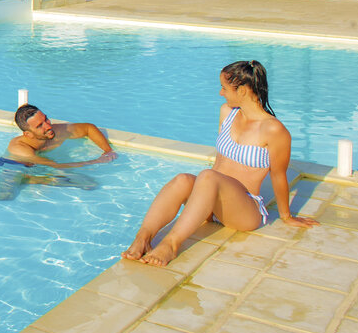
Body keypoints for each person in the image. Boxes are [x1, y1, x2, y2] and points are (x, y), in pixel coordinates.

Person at [122, 60, 318, 267]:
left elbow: (279, 175)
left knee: (207, 176)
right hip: (211, 202)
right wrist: (201, 197)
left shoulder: (274, 130)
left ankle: (170, 244)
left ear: (241, 90)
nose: (220, 93)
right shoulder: (227, 112)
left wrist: (286, 216)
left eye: (224, 88)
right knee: (183, 180)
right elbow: (220, 161)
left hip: (244, 209)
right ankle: (143, 238)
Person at [0, 104, 117, 200]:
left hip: (39, 167)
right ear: (28, 134)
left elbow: (89, 128)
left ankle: (30, 179)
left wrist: (107, 151)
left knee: (90, 183)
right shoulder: (20, 148)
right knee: (3, 195)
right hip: (13, 166)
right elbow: (56, 166)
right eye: (40, 126)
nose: (48, 126)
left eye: (46, 119)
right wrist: (95, 161)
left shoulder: (55, 131)